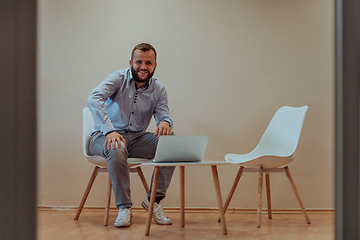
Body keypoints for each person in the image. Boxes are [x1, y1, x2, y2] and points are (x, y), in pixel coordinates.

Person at [87, 43, 175, 227]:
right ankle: (124, 207)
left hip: (137, 139)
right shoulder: (117, 78)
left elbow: (163, 116)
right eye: (139, 62)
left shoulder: (159, 89)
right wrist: (109, 130)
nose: (143, 67)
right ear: (131, 63)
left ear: (155, 66)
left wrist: (165, 123)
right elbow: (94, 98)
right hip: (103, 136)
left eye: (148, 63)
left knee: (172, 145)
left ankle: (154, 201)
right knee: (116, 146)